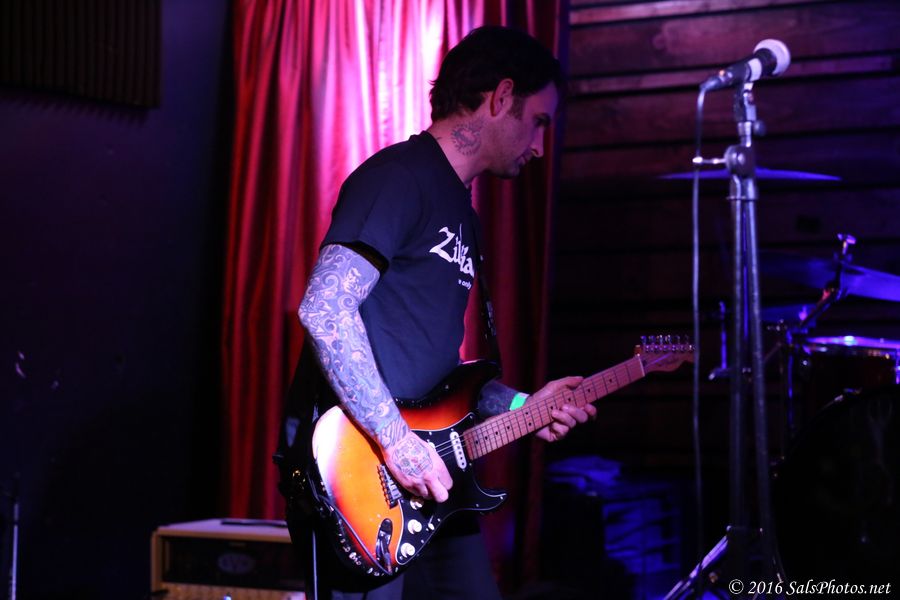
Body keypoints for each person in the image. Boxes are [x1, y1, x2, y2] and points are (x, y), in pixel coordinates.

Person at [277, 25, 597, 600]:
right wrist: (398, 444)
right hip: (361, 476)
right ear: (502, 97)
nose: (539, 146)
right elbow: (325, 308)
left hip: (433, 481)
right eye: (538, 122)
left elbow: (445, 378)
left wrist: (525, 406)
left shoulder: (464, 214)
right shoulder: (400, 177)